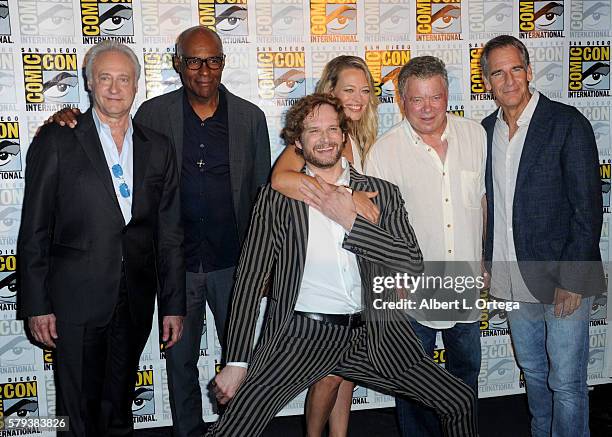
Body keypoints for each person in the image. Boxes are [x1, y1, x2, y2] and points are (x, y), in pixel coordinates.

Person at [208, 93, 478, 437]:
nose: (325, 139)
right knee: (233, 430)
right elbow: (248, 281)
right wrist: (236, 362)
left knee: (459, 400)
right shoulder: (275, 199)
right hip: (300, 336)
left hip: (372, 335)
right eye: (313, 131)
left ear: (345, 135)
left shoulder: (382, 193)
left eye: (333, 129)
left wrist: (353, 222)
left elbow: (412, 265)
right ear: (298, 143)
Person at [48, 26, 271, 437]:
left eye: (213, 60)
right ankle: (187, 432)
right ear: (177, 63)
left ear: (224, 61)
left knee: (241, 361)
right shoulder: (153, 113)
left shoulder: (251, 119)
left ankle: (241, 430)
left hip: (234, 266)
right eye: (193, 61)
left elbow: (263, 198)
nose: (204, 70)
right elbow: (103, 130)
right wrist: (66, 117)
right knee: (180, 363)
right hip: (175, 267)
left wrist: (263, 268)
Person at [18, 41, 185, 436]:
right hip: (74, 300)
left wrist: (173, 304)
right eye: (105, 78)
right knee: (78, 412)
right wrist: (37, 305)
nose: (114, 88)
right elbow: (34, 229)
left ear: (136, 86)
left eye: (123, 79)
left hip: (134, 300)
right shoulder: (57, 140)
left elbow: (170, 233)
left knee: (119, 405)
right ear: (89, 83)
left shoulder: (158, 147)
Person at [480, 35, 605, 437]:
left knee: (566, 383)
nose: (509, 79)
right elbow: (488, 205)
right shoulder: (484, 131)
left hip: (562, 279)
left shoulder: (567, 123)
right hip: (512, 277)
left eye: (516, 68)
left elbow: (587, 208)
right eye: (498, 72)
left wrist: (574, 278)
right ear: (486, 82)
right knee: (533, 371)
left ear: (530, 71)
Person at [366, 55, 486, 437]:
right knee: (413, 380)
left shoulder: (475, 135)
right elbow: (375, 225)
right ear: (402, 100)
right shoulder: (383, 152)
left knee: (465, 372)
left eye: (435, 97)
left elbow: (480, 202)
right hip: (411, 287)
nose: (428, 108)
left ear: (447, 94)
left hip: (464, 282)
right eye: (417, 99)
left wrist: (483, 258)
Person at [270, 55, 379, 437]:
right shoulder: (317, 137)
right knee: (330, 374)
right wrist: (342, 193)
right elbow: (281, 179)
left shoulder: (358, 136)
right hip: (323, 281)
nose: (359, 97)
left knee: (346, 372)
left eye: (365, 90)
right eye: (348, 89)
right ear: (330, 90)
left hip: (355, 270)